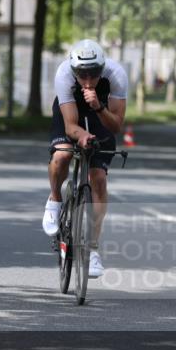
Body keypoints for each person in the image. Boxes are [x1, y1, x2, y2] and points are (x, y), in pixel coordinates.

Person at [41, 39, 129, 279]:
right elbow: (70, 126)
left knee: (98, 179)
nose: (88, 81)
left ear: (102, 69)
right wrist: (82, 136)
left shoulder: (116, 74)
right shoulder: (64, 74)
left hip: (101, 115)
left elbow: (116, 125)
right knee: (62, 155)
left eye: (94, 75)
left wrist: (99, 107)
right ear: (74, 70)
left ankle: (91, 248)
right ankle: (55, 199)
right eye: (82, 75)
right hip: (70, 114)